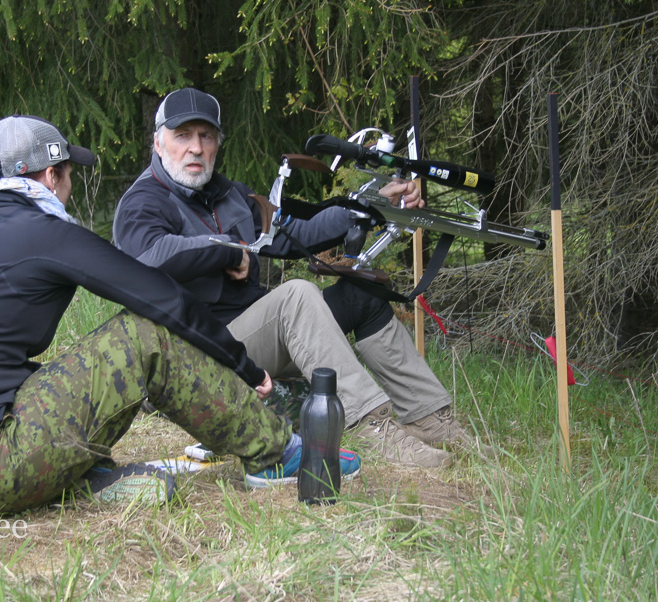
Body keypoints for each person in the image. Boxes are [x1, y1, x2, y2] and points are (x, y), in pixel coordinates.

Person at [0, 114, 360, 516]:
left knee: (62, 370)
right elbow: (160, 299)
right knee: (142, 334)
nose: (68, 186)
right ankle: (275, 455)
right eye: (68, 174)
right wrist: (245, 366)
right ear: (49, 177)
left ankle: (88, 477)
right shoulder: (45, 232)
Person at [113, 88, 485, 470]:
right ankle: (370, 426)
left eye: (205, 136)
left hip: (251, 343)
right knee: (296, 296)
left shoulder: (228, 194)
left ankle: (429, 417)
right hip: (198, 355)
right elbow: (146, 258)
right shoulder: (143, 201)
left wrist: (368, 207)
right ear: (159, 143)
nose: (195, 148)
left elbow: (296, 233)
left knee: (361, 294)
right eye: (183, 136)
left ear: (217, 144)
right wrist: (228, 249)